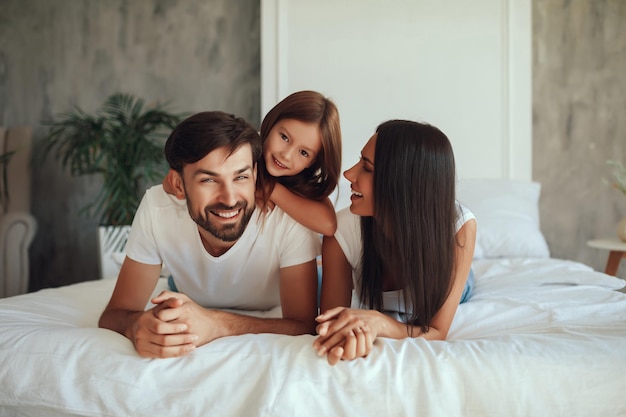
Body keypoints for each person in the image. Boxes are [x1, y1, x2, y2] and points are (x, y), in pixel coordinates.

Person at [98, 111, 321, 359]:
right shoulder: (157, 207)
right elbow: (115, 314)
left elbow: (304, 325)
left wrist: (217, 323)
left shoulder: (286, 217)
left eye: (241, 177)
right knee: (173, 288)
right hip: (191, 286)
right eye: (208, 180)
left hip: (281, 282)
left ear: (256, 175)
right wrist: (137, 325)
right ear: (179, 185)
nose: (229, 198)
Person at [313, 119, 477, 365]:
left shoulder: (458, 227)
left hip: (455, 280)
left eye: (366, 168)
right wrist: (349, 337)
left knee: (466, 284)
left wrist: (379, 323)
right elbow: (334, 323)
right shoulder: (340, 232)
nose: (348, 174)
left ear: (403, 182)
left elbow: (436, 331)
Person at [163, 90, 342, 236]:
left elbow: (328, 225)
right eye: (284, 137)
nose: (286, 155)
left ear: (313, 162)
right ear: (271, 124)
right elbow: (170, 185)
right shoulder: (243, 150)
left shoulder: (305, 182)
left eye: (303, 153)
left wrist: (269, 189)